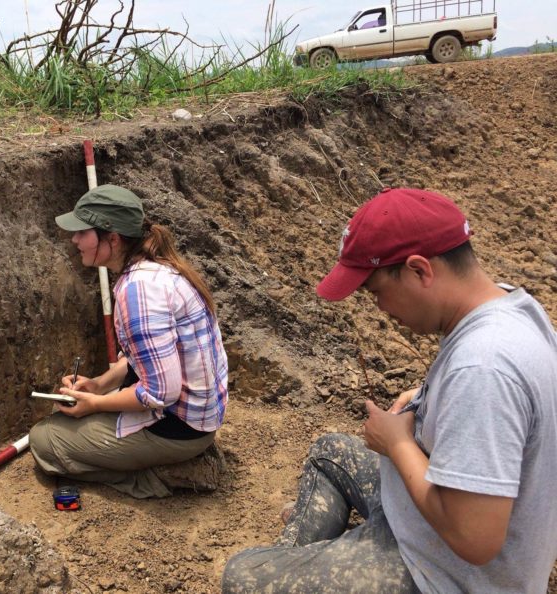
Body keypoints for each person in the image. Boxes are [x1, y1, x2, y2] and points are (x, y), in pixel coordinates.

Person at [222, 187, 557, 593]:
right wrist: (433, 397)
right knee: (332, 451)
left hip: (445, 573)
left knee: (243, 576)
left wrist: (399, 444)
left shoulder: (482, 366)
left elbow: (475, 539)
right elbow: (512, 401)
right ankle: (298, 563)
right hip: (420, 519)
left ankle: (295, 570)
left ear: (420, 270)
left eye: (377, 292)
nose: (380, 307)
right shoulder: (510, 309)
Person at [29, 184, 229, 499]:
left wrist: (93, 405)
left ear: (113, 238)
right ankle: (172, 459)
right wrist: (98, 385)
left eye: (83, 232)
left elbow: (161, 391)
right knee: (68, 422)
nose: (75, 240)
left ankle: (165, 475)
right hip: (195, 419)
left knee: (45, 441)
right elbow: (145, 358)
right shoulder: (158, 269)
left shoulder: (138, 291)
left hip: (178, 430)